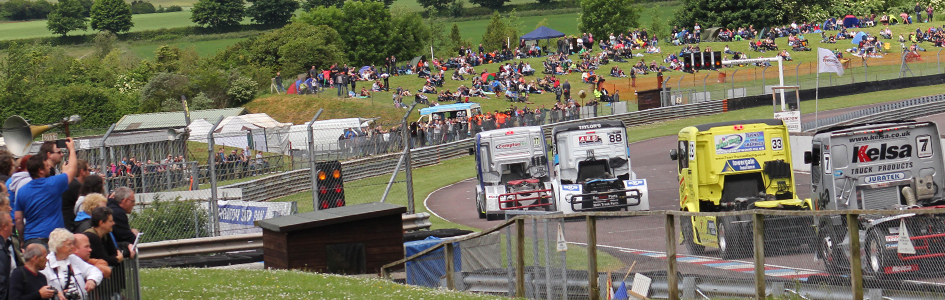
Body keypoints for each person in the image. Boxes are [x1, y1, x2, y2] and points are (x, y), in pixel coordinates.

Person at [16, 138, 78, 249]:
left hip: (31, 238)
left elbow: (18, 219)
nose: (49, 166)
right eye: (46, 165)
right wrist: (72, 150)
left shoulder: (22, 190)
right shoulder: (53, 183)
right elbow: (72, 170)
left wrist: (22, 239)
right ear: (41, 170)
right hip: (53, 238)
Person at [41, 229, 102, 300]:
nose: (73, 247)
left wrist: (92, 280)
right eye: (69, 244)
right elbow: (41, 289)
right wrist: (56, 294)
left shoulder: (73, 258)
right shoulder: (46, 264)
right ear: (58, 247)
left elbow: (94, 271)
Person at [107, 187, 137, 258]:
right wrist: (133, 234)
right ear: (125, 200)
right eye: (132, 201)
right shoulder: (118, 213)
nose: (134, 204)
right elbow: (127, 237)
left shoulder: (110, 207)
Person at [61, 160, 88, 232]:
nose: (89, 173)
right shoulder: (76, 186)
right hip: (70, 225)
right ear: (82, 172)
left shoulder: (70, 183)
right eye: (88, 170)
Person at [0, 213, 15, 299]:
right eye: (11, 222)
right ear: (4, 226)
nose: (13, 225)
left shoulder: (6, 245)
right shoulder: (1, 250)